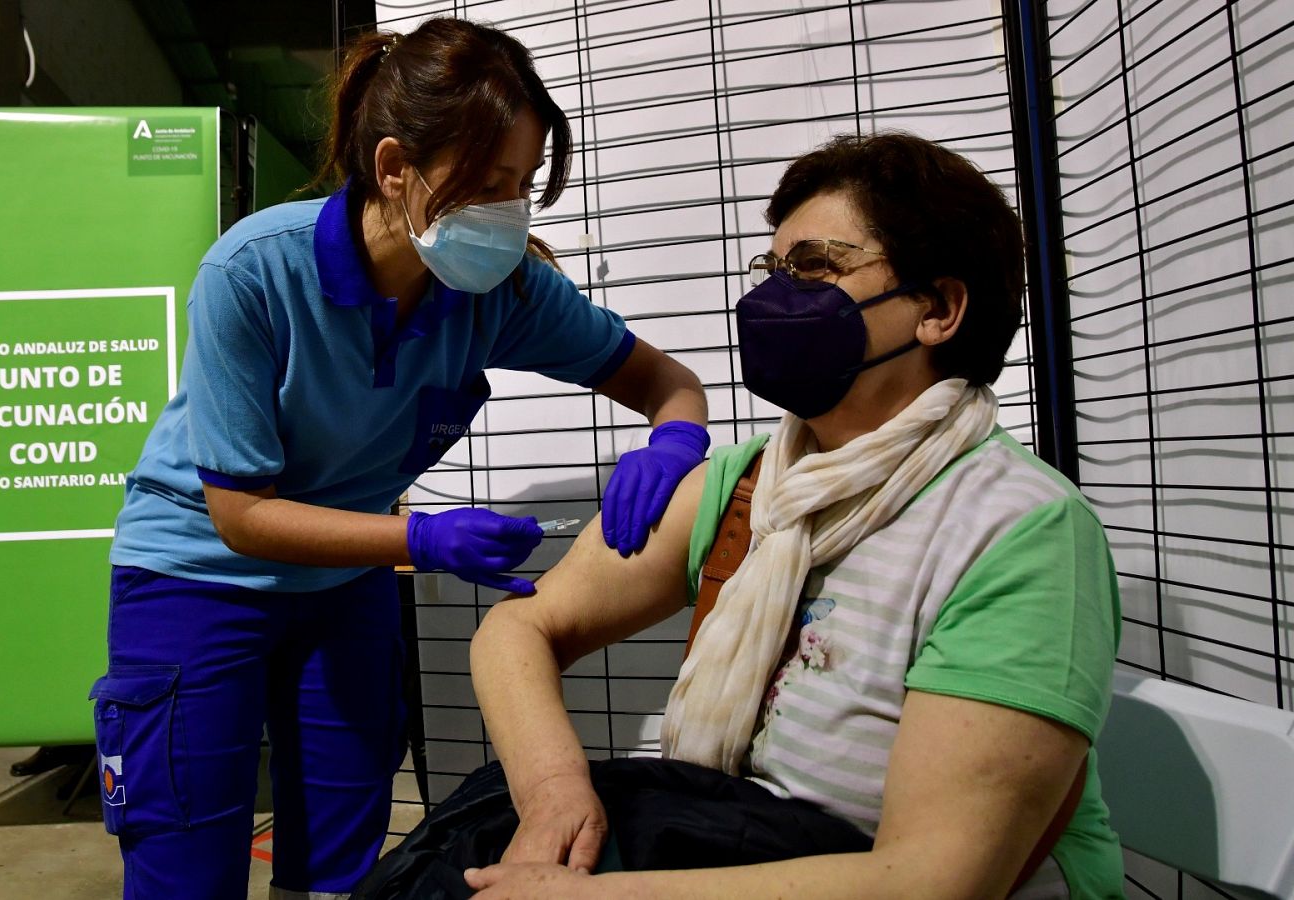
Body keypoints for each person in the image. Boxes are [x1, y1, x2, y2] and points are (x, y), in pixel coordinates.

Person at [91, 17, 710, 900]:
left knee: (345, 861)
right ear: (393, 168)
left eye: (524, 183)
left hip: (344, 588)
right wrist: (419, 538)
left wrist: (674, 441)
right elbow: (240, 515)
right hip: (196, 575)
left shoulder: (501, 291)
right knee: (184, 858)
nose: (511, 210)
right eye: (489, 183)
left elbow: (670, 384)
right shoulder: (253, 274)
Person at [450, 133, 1124, 898]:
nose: (772, 297)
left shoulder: (1019, 531)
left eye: (813, 268)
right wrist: (551, 790)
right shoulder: (745, 489)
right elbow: (519, 627)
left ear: (937, 308)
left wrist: (592, 897)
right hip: (733, 851)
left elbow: (934, 881)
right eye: (771, 269)